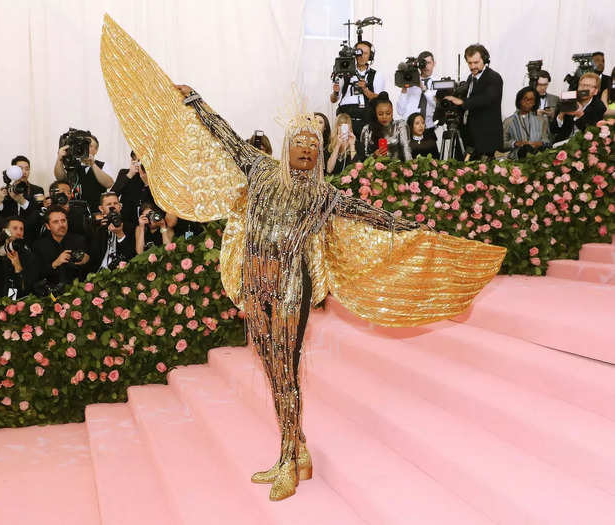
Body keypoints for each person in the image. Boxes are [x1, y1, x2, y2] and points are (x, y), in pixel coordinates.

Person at [101, 17, 506, 502]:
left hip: (293, 283)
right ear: (289, 143)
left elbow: (373, 215)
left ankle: (289, 458)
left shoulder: (324, 196)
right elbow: (226, 137)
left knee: (286, 369)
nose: (307, 151)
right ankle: (296, 448)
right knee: (272, 368)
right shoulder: (260, 170)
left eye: (314, 147)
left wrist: (417, 232)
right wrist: (196, 102)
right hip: (256, 279)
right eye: (301, 143)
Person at [444, 44, 503, 159]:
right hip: (471, 137)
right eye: (470, 63)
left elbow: (487, 99)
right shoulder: (471, 78)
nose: (473, 66)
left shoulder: (494, 77)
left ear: (485, 60)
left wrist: (462, 102)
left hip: (487, 139)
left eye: (476, 62)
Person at [330, 41, 385, 136]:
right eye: (359, 53)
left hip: (366, 118)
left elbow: (379, 100)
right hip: (345, 117)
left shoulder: (376, 75)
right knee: (344, 147)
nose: (362, 56)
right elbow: (333, 99)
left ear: (370, 56)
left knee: (365, 147)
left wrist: (365, 90)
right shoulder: (343, 71)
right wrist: (335, 92)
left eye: (366, 53)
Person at [33, 206, 90, 291]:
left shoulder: (79, 240)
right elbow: (37, 274)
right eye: (56, 222)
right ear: (48, 226)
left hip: (78, 290)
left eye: (63, 221)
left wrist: (87, 260)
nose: (61, 225)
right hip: (51, 291)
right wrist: (55, 263)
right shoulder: (39, 245)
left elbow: (91, 269)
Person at [53, 134, 115, 212]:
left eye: (90, 145)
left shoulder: (102, 165)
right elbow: (60, 178)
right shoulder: (72, 164)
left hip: (96, 211)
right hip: (73, 210)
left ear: (96, 150)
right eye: (85, 144)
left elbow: (109, 184)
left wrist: (92, 164)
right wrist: (59, 159)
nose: (87, 148)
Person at [0, 217, 38, 299]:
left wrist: (18, 267)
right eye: (15, 228)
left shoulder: (28, 255)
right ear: (5, 231)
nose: (19, 232)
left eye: (21, 229)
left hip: (20, 301)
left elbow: (28, 288)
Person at [0, 155, 44, 242]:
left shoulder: (37, 190)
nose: (24, 172)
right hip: (10, 237)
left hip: (31, 235)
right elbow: (2, 218)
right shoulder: (6, 190)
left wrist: (22, 202)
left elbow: (39, 214)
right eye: (20, 169)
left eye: (27, 169)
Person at [551, 72, 606, 142]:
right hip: (561, 143)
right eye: (582, 85)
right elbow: (553, 130)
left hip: (584, 146)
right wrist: (561, 114)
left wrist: (579, 115)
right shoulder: (569, 98)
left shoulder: (599, 107)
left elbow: (591, 134)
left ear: (595, 91)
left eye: (589, 86)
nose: (584, 89)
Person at [89, 192, 135, 272]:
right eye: (109, 204)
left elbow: (131, 256)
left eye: (115, 203)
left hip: (121, 273)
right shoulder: (98, 229)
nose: (112, 207)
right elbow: (93, 258)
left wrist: (120, 234)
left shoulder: (130, 227)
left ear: (120, 207)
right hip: (99, 274)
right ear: (101, 209)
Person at [359, 93, 411, 160]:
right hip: (374, 168)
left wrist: (409, 168)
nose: (384, 117)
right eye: (380, 114)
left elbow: (406, 151)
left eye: (388, 113)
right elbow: (362, 158)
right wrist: (374, 155)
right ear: (376, 114)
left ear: (392, 112)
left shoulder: (400, 125)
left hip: (398, 168)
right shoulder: (367, 129)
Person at [503, 87, 551, 159]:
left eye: (531, 100)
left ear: (535, 102)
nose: (528, 102)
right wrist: (515, 143)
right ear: (519, 100)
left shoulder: (541, 120)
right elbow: (501, 144)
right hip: (517, 160)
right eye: (525, 99)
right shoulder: (509, 121)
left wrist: (539, 144)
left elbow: (547, 141)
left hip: (538, 158)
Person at [397, 51, 438, 132]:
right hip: (409, 129)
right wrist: (404, 88)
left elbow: (436, 104)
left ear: (434, 63)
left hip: (428, 128)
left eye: (429, 63)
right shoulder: (410, 82)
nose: (426, 66)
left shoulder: (438, 82)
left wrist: (422, 87)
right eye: (423, 63)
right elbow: (400, 111)